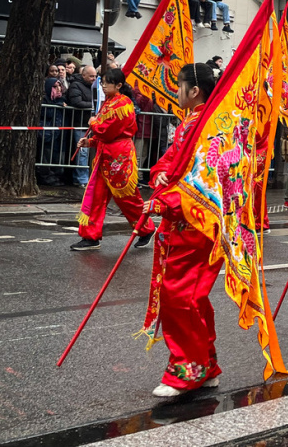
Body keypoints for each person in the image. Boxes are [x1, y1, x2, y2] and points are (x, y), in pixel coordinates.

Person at [140, 63, 224, 397]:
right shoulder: (190, 122)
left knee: (181, 297)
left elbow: (206, 179)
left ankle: (187, 370)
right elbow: (171, 162)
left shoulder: (211, 127)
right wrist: (160, 175)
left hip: (198, 224)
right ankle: (206, 365)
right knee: (192, 298)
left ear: (194, 90)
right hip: (182, 223)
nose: (176, 91)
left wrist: (167, 202)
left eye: (179, 85)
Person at [71, 68, 156, 251]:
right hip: (105, 155)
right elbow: (104, 134)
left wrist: (93, 123)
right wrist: (90, 142)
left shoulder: (123, 104)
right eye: (102, 82)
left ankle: (146, 229)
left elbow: (108, 130)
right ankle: (90, 236)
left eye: (106, 82)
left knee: (127, 198)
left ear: (118, 85)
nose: (103, 85)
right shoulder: (109, 103)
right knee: (95, 196)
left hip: (119, 157)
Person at [68, 65, 97, 187]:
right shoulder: (76, 85)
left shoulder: (95, 87)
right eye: (91, 76)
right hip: (80, 123)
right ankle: (81, 179)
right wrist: (93, 106)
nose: (93, 78)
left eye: (95, 76)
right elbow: (76, 102)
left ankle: (88, 177)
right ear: (83, 75)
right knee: (82, 152)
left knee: (89, 152)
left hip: (91, 124)